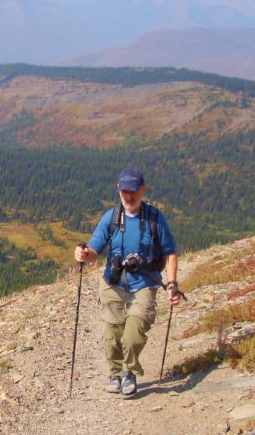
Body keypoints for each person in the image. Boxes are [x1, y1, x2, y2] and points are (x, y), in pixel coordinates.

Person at [74, 167, 181, 397]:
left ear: (143, 190)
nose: (129, 196)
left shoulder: (154, 218)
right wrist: (83, 254)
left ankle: (129, 372)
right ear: (118, 190)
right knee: (113, 334)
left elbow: (170, 253)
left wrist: (172, 284)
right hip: (113, 284)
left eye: (133, 191)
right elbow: (94, 251)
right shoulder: (111, 218)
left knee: (133, 332)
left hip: (145, 283)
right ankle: (115, 374)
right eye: (125, 191)